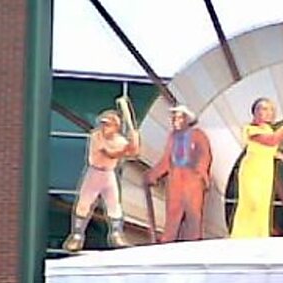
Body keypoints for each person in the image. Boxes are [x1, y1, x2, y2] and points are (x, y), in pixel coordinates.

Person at [62, 110, 139, 252]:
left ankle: (116, 234)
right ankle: (77, 236)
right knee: (84, 204)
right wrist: (127, 148)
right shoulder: (96, 136)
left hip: (109, 175)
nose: (104, 127)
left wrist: (134, 141)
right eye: (104, 124)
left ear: (116, 126)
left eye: (108, 125)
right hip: (94, 173)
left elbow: (133, 154)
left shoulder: (119, 140)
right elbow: (109, 153)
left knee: (114, 204)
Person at [230, 98, 283, 238]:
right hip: (252, 170)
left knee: (263, 204)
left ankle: (259, 235)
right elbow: (271, 141)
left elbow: (270, 149)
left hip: (266, 170)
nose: (269, 113)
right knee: (251, 203)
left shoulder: (268, 129)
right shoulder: (250, 129)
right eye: (264, 109)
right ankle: (241, 236)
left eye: (271, 110)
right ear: (255, 111)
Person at [145, 105, 212, 242]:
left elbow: (204, 155)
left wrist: (200, 172)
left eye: (180, 117)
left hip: (191, 178)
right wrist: (153, 175)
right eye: (174, 118)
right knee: (173, 212)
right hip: (175, 177)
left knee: (193, 213)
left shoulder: (197, 135)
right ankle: (168, 241)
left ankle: (193, 241)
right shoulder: (172, 137)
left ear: (187, 120)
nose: (176, 120)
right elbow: (166, 160)